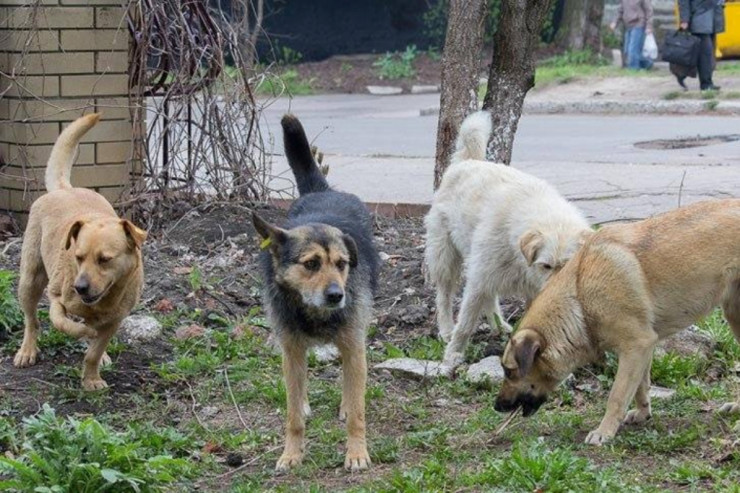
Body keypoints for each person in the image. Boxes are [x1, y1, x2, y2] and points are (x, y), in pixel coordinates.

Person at [678, 0, 726, 91]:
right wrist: (684, 19)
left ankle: (685, 75)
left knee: (706, 54)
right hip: (699, 19)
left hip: (712, 19)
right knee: (705, 54)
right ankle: (706, 84)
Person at [611, 0, 655, 70]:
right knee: (627, 51)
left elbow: (649, 11)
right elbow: (620, 10)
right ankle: (648, 64)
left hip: (639, 24)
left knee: (633, 49)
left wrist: (649, 26)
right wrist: (615, 22)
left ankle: (633, 69)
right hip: (628, 26)